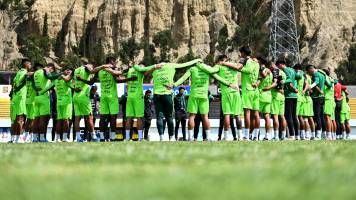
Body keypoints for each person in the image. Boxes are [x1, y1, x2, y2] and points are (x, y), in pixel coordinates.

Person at [133, 59, 203, 141]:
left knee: (159, 117)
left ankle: (161, 137)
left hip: (157, 94)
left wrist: (134, 65)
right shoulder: (171, 65)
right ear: (168, 62)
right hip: (167, 94)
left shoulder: (155, 66)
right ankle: (172, 137)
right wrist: (197, 60)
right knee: (169, 117)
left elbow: (141, 69)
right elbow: (185, 64)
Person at [173, 62, 234, 141]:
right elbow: (218, 78)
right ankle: (208, 137)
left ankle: (190, 138)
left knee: (192, 116)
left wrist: (174, 84)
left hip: (194, 95)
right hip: (203, 96)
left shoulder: (192, 69)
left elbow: (183, 78)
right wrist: (229, 84)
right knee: (205, 117)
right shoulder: (207, 70)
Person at [215, 47, 260, 141]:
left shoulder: (243, 60)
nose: (240, 55)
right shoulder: (255, 63)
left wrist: (223, 63)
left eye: (240, 53)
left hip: (246, 90)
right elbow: (261, 76)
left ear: (243, 53)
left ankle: (244, 136)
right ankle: (255, 136)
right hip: (255, 91)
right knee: (254, 114)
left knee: (236, 114)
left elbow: (238, 67)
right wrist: (257, 83)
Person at [73, 60, 107, 142]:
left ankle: (78, 138)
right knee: (89, 117)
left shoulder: (76, 70)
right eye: (92, 66)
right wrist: (102, 67)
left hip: (75, 96)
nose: (92, 68)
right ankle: (94, 137)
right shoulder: (86, 68)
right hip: (83, 96)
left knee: (77, 118)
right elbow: (92, 73)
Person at [32, 63, 60, 142]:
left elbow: (32, 83)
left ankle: (34, 138)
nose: (51, 71)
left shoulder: (36, 72)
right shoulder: (45, 70)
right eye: (51, 70)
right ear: (50, 68)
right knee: (43, 119)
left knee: (36, 119)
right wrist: (60, 74)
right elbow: (50, 77)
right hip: (44, 97)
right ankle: (41, 138)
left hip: (37, 97)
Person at [124, 64, 152, 141]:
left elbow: (122, 73)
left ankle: (127, 138)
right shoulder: (140, 71)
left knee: (129, 118)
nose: (143, 69)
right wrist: (155, 67)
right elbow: (147, 72)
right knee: (139, 117)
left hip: (130, 96)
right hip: (138, 97)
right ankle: (140, 138)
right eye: (142, 67)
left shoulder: (130, 71)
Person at [276, 60, 299, 140]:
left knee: (288, 116)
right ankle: (297, 135)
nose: (278, 68)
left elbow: (289, 80)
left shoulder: (285, 70)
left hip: (288, 95)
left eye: (278, 66)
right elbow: (299, 76)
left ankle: (292, 135)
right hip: (295, 96)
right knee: (294, 116)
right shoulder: (292, 69)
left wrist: (283, 82)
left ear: (281, 64)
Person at [10, 58, 31, 143]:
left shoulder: (17, 73)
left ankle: (13, 138)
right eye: (29, 64)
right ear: (25, 64)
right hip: (20, 97)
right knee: (21, 118)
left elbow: (14, 84)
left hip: (15, 98)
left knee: (14, 119)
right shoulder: (24, 72)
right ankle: (20, 138)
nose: (30, 65)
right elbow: (24, 78)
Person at [267, 61, 287, 140]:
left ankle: (275, 136)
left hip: (275, 95)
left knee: (275, 116)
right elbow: (283, 83)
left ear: (271, 65)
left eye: (269, 67)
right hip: (282, 96)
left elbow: (276, 84)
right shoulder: (283, 73)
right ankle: (283, 136)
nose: (269, 69)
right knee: (282, 116)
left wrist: (268, 88)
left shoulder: (275, 71)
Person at [306, 65, 326, 140]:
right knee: (321, 116)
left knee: (317, 116)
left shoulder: (315, 74)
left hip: (316, 98)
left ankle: (318, 135)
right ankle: (324, 134)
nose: (309, 74)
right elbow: (329, 84)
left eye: (308, 72)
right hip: (322, 97)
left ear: (311, 69)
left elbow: (316, 82)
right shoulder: (322, 74)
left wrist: (310, 87)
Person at [54, 67, 73, 142]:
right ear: (63, 71)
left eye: (70, 70)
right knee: (66, 120)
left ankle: (57, 138)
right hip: (66, 102)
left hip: (59, 102)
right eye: (67, 70)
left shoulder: (56, 80)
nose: (69, 71)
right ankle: (65, 138)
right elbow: (72, 85)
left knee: (59, 120)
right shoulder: (66, 80)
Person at [257, 57, 274, 140]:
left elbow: (263, 75)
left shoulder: (265, 70)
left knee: (256, 116)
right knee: (267, 116)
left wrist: (260, 70)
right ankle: (267, 135)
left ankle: (255, 135)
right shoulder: (271, 72)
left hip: (261, 95)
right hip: (268, 96)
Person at [23, 63, 37, 142]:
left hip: (27, 101)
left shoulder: (27, 78)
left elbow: (26, 74)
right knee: (32, 120)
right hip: (32, 101)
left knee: (28, 119)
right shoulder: (33, 80)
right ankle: (30, 137)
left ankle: (25, 135)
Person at [320, 69, 335, 140]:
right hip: (331, 99)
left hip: (327, 99)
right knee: (329, 118)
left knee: (327, 118)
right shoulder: (331, 79)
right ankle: (331, 135)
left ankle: (328, 135)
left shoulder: (325, 78)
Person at [294, 64, 307, 140]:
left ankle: (297, 134)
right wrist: (304, 91)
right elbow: (307, 84)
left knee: (295, 116)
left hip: (297, 97)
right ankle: (303, 135)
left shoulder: (297, 74)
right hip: (302, 97)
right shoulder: (303, 74)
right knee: (301, 117)